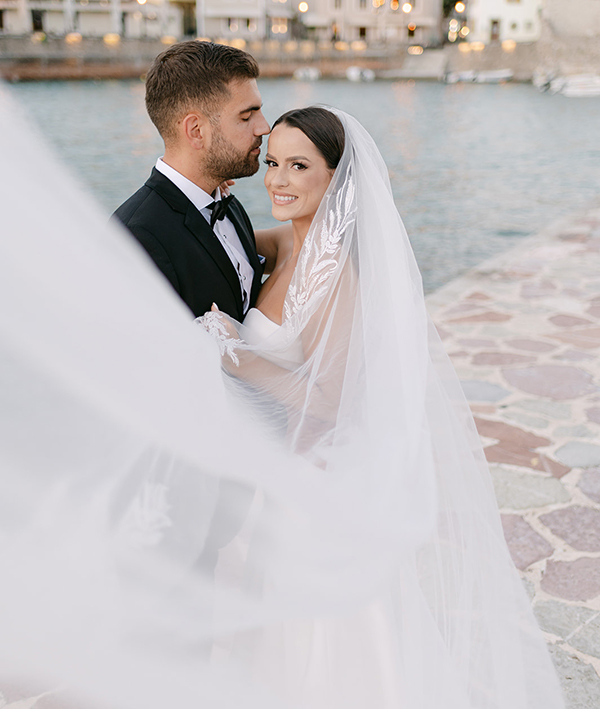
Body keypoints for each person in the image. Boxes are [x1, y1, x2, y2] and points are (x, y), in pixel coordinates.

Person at [0, 91, 565, 709]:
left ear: (337, 179)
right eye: (272, 162)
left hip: (305, 482)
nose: (278, 178)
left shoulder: (338, 277)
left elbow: (324, 401)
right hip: (258, 474)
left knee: (308, 655)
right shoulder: (280, 240)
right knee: (257, 644)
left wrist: (229, 350)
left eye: (300, 167)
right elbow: (223, 250)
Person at [113, 40, 270, 320]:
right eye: (246, 117)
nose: (264, 127)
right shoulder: (136, 236)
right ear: (196, 130)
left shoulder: (227, 204)